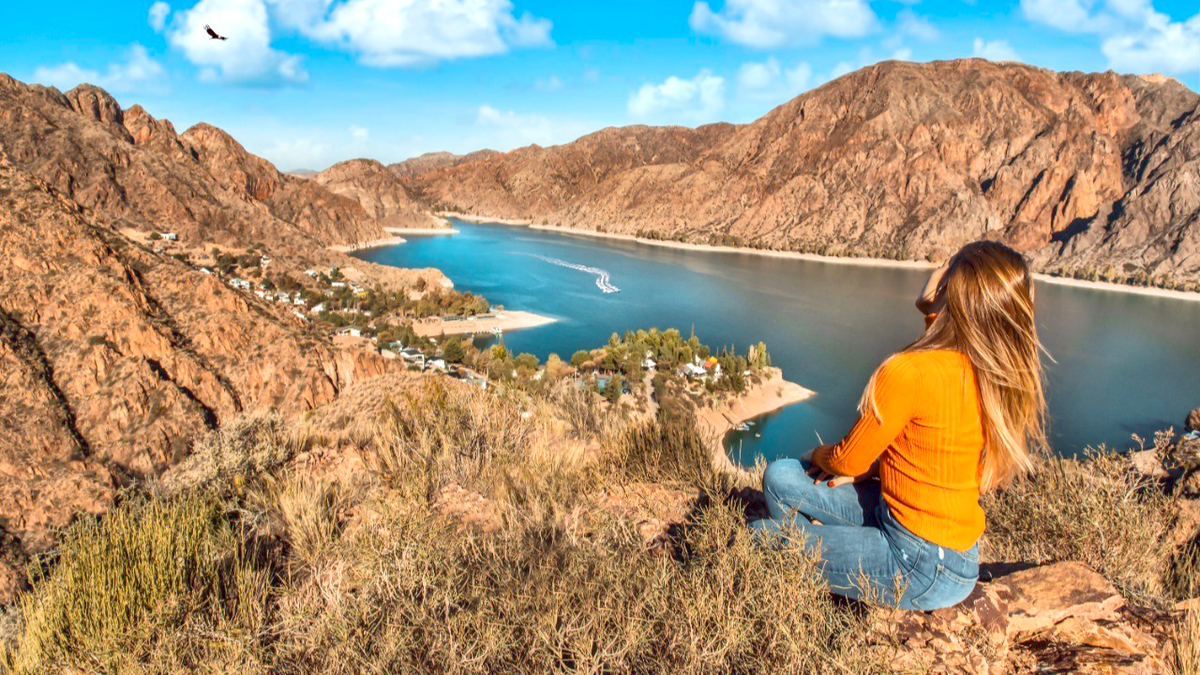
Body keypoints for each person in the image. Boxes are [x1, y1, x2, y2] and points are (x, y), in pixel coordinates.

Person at [750, 241, 1047, 611]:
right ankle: (821, 562)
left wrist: (819, 455)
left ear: (950, 291)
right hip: (942, 547)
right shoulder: (994, 377)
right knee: (779, 477)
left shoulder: (907, 371)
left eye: (947, 269)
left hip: (918, 563)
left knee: (759, 538)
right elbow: (934, 426)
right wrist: (930, 310)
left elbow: (846, 463)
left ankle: (811, 587)